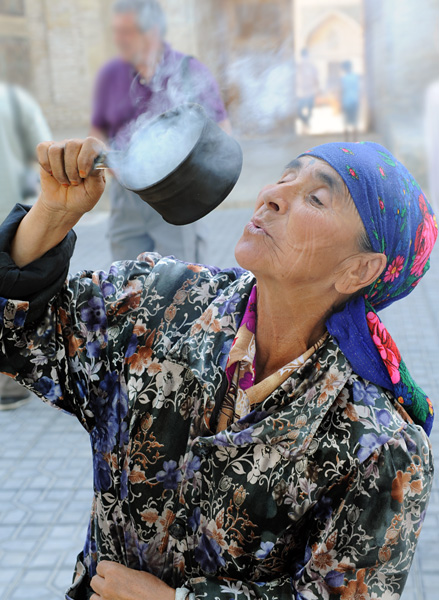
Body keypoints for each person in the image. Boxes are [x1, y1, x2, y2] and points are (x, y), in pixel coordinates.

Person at [0, 135, 436, 600]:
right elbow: (21, 338)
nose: (272, 194)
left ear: (358, 270)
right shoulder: (157, 300)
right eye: (286, 176)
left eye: (315, 197)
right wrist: (53, 213)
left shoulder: (380, 446)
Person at [90, 0, 231, 263]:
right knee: (125, 286)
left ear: (152, 31)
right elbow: (97, 133)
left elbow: (221, 131)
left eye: (126, 32)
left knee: (181, 285)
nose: (118, 40)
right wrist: (118, 167)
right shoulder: (110, 75)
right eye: (115, 31)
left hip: (177, 195)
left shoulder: (189, 71)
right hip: (126, 196)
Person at [0, 81, 51, 410]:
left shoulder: (15, 100)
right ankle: (10, 378)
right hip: (11, 226)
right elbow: (48, 152)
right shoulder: (13, 100)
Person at [295, 48, 319, 134]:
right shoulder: (299, 66)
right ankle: (306, 123)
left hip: (308, 92)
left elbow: (316, 79)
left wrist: (317, 89)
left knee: (308, 110)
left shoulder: (311, 66)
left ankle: (306, 126)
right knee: (301, 111)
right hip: (302, 93)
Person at [340, 61, 361, 142]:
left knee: (346, 123)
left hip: (346, 101)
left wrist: (340, 102)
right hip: (355, 100)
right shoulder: (356, 77)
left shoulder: (344, 78)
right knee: (355, 122)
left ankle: (346, 141)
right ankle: (355, 141)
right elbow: (359, 90)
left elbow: (341, 90)